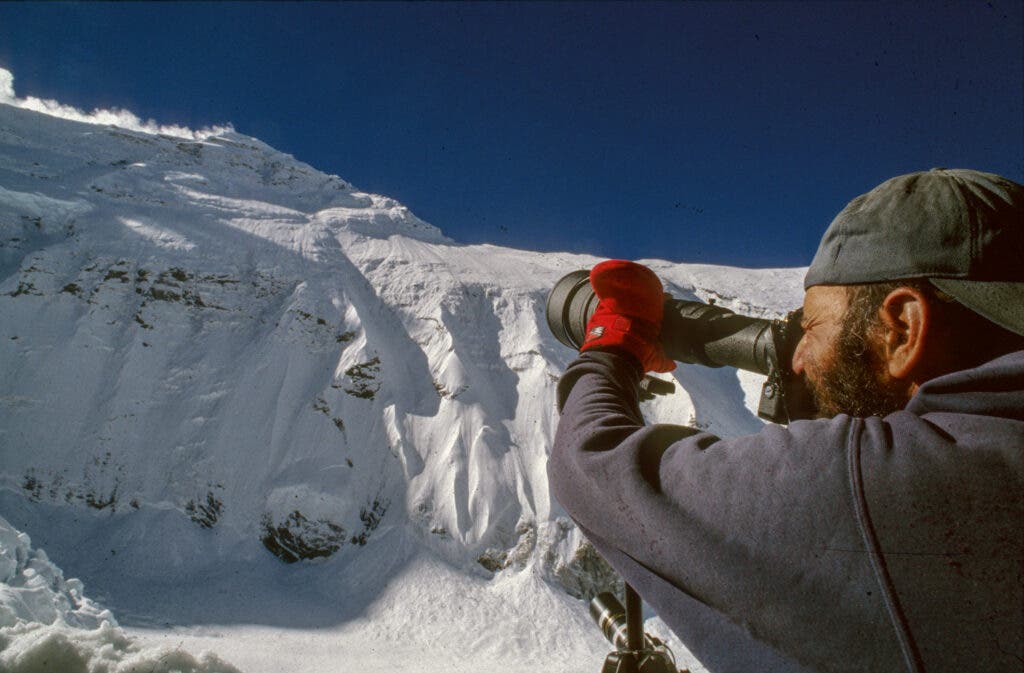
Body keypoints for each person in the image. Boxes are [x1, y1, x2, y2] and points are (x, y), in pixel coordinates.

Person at [549, 168, 1023, 673]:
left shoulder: (890, 480)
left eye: (813, 326)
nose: (797, 361)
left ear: (902, 328)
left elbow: (591, 465)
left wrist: (610, 346)